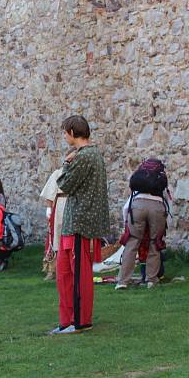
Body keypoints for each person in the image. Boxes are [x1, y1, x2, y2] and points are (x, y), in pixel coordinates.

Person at [49, 115, 110, 335]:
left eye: (65, 132)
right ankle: (67, 320)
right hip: (76, 222)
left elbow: (64, 183)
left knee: (77, 275)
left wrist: (66, 164)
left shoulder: (84, 156)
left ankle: (79, 321)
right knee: (65, 273)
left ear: (73, 133)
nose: (65, 136)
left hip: (79, 222)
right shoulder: (93, 155)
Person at [116, 158, 170, 290]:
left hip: (137, 206)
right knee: (154, 243)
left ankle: (123, 281)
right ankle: (151, 279)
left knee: (132, 243)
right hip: (157, 207)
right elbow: (168, 201)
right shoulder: (160, 180)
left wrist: (127, 222)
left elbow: (127, 206)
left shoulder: (139, 183)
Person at [39, 161, 70, 282]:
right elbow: (50, 193)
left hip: (74, 205)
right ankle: (52, 270)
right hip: (60, 206)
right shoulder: (58, 173)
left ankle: (70, 269)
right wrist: (49, 209)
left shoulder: (79, 173)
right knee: (55, 238)